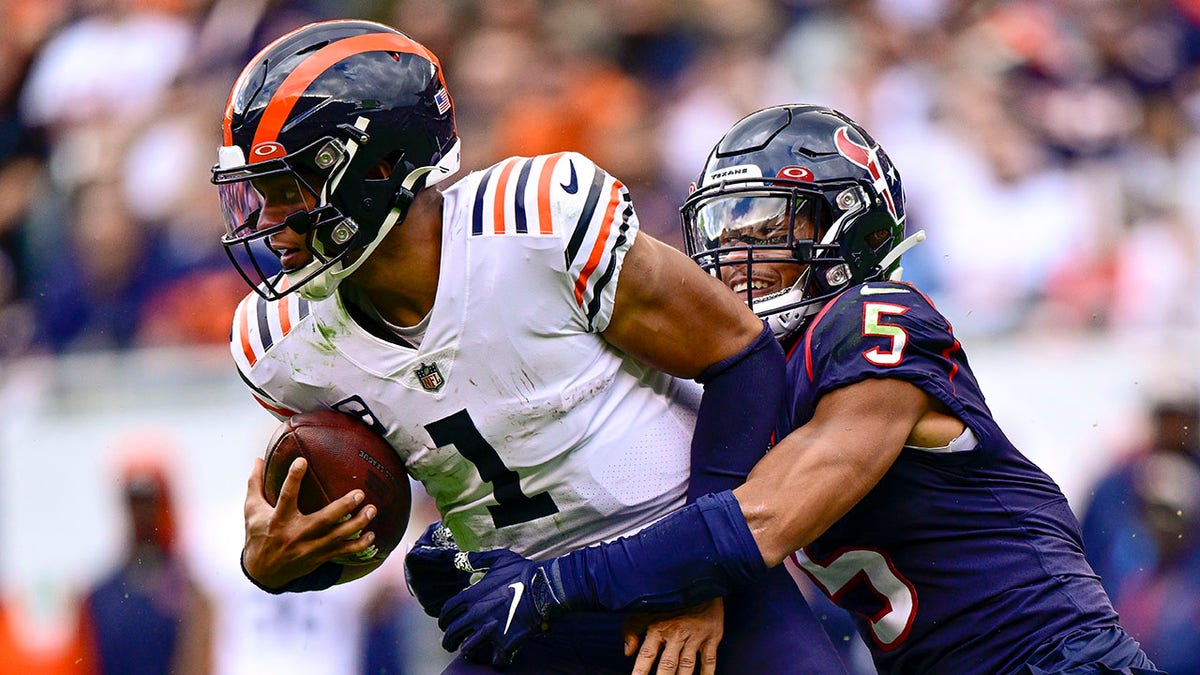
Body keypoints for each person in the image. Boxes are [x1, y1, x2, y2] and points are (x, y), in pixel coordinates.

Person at [433, 104, 1164, 675]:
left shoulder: (878, 319)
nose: (735, 255)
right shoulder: (753, 377)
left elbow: (760, 518)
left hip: (1052, 655)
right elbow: (645, 494)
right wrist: (486, 534)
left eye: (767, 226)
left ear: (851, 230)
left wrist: (558, 581)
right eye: (725, 227)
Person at [213, 20, 845, 674]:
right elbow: (372, 502)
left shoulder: (535, 223)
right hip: (528, 610)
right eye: (258, 193)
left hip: (683, 564)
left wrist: (701, 573)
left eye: (287, 189)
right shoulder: (286, 343)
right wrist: (279, 564)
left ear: (380, 167)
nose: (266, 223)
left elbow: (741, 355)